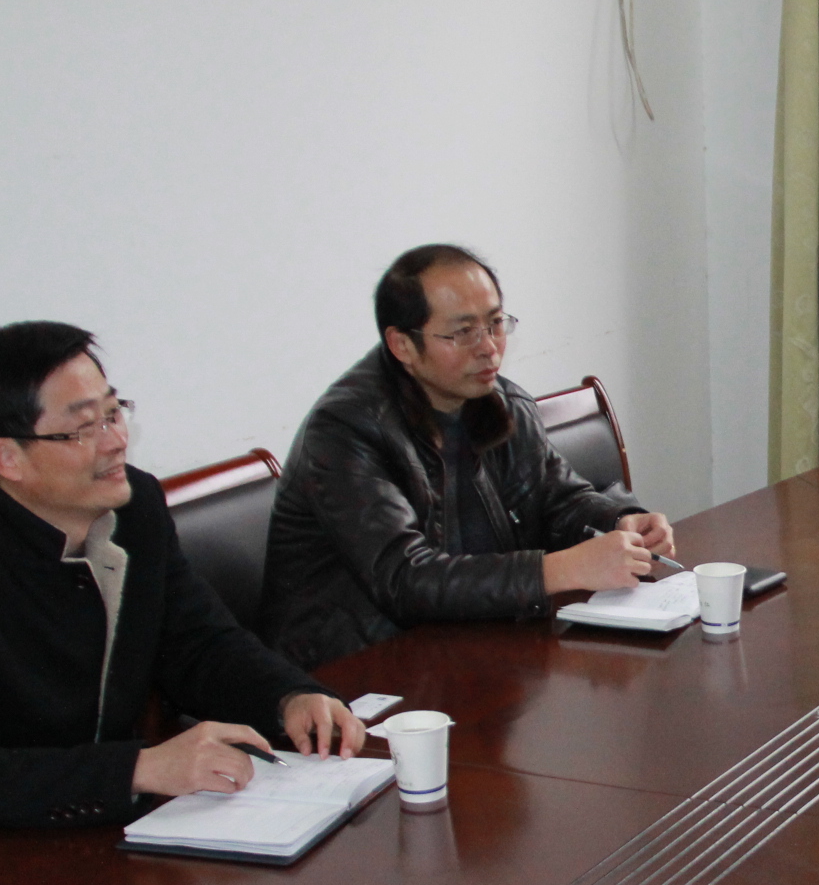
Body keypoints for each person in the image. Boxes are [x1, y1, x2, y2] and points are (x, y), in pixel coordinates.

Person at [0, 322, 363, 884]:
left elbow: (198, 643)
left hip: (82, 839)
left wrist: (287, 696)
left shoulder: (135, 510)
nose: (115, 441)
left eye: (113, 413)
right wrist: (142, 767)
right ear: (8, 458)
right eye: (84, 428)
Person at [257, 244, 677, 667]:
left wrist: (618, 520)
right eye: (462, 332)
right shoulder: (346, 430)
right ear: (402, 345)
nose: (489, 347)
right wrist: (559, 570)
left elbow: (557, 498)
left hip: (476, 645)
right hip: (356, 671)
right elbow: (405, 579)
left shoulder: (501, 403)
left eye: (495, 324)